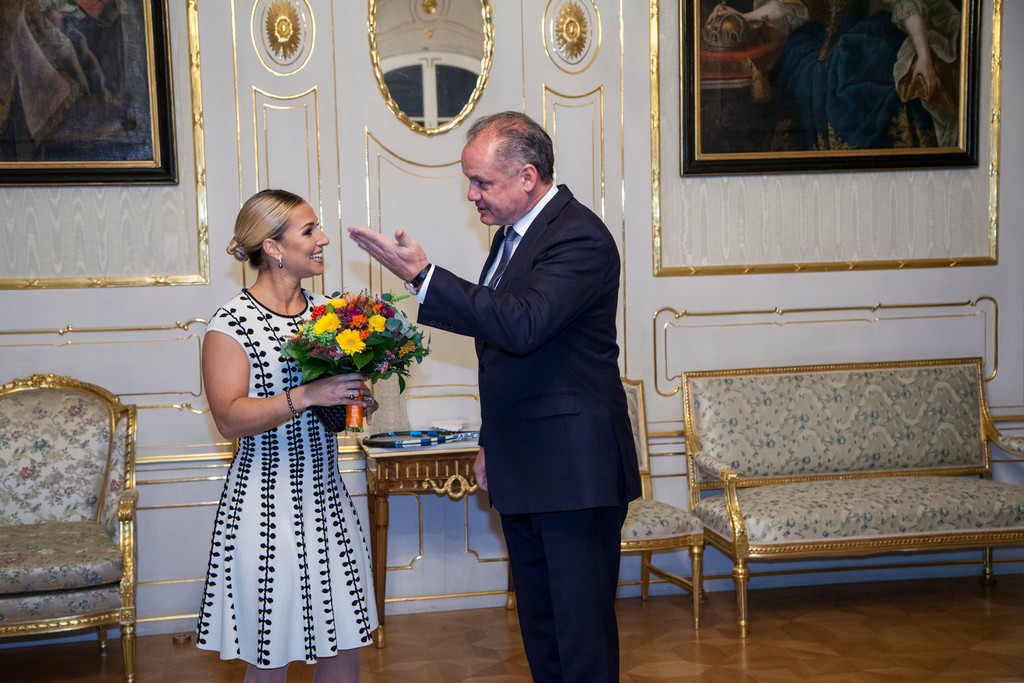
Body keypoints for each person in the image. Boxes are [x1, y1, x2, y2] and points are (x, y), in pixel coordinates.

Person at [348, 111, 641, 682]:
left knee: (581, 640)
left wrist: (425, 277)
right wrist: (492, 441)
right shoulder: (512, 237)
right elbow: (510, 361)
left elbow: (523, 325)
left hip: (575, 472)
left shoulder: (578, 235)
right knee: (543, 633)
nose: (471, 195)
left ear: (527, 177)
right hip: (526, 463)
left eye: (481, 181)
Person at [197, 189, 379, 683]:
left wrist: (353, 401)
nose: (323, 239)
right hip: (263, 510)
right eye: (309, 230)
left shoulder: (330, 315)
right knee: (270, 656)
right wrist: (310, 394)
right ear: (273, 246)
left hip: (328, 503)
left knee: (345, 643)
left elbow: (333, 410)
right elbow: (229, 419)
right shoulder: (231, 324)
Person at [709, 0, 961, 149]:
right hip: (816, 51)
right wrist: (743, 18)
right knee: (808, 84)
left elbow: (905, 4)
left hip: (865, 50)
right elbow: (789, 6)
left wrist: (924, 56)